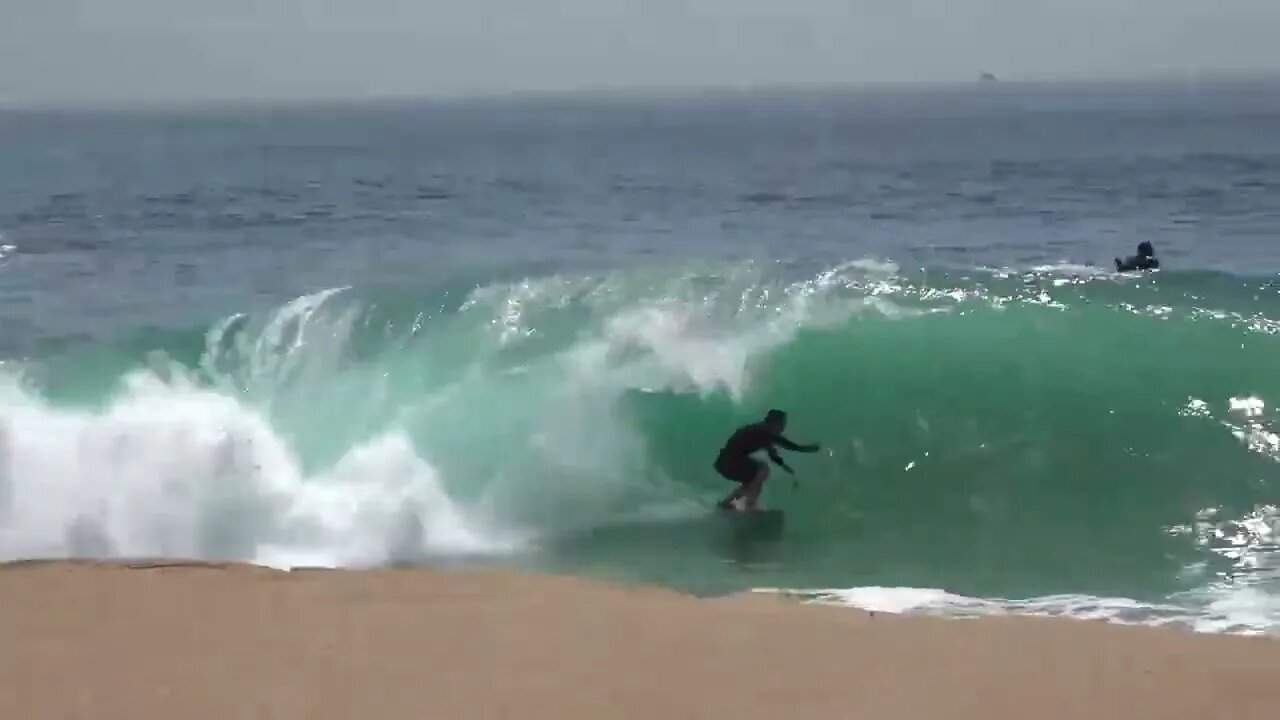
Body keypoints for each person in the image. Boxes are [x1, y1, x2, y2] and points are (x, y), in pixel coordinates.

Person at [713, 409, 819, 511]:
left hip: (723, 464)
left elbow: (773, 455)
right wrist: (811, 448)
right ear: (775, 423)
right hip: (729, 463)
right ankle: (750, 504)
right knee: (763, 470)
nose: (783, 428)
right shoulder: (764, 431)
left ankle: (726, 503)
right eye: (782, 424)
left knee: (751, 481)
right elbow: (791, 446)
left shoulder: (761, 431)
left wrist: (787, 468)